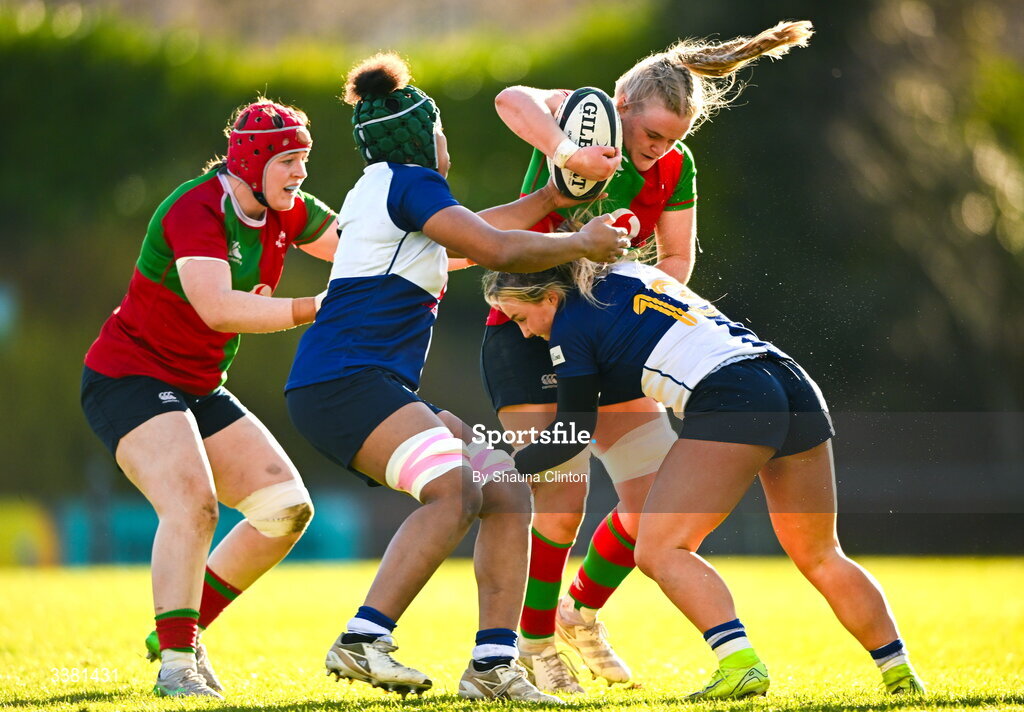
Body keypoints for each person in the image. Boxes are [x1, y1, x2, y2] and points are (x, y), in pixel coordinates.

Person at [283, 53, 629, 703]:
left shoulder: (385, 187)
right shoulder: (412, 183)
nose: (447, 142)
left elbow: (474, 235)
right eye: (441, 131)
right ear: (425, 138)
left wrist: (553, 199)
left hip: (358, 384)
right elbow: (496, 251)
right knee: (455, 489)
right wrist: (580, 243)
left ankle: (494, 667)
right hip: (346, 382)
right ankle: (363, 641)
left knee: (504, 493)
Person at [481, 20, 814, 691]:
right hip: (529, 332)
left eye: (674, 141)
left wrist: (642, 316)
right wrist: (566, 152)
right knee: (561, 504)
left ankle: (580, 611)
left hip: (610, 341)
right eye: (653, 135)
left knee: (656, 502)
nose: (661, 151)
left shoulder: (675, 164)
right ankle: (535, 647)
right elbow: (508, 98)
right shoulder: (584, 116)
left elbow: (679, 255)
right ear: (621, 107)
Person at [483, 259, 927, 700]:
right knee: (821, 552)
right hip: (789, 378)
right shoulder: (626, 272)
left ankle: (740, 664)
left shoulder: (569, 328)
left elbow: (572, 433)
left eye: (521, 318)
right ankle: (900, 673)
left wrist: (498, 467)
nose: (524, 332)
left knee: (658, 549)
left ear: (552, 297)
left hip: (734, 393)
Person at [80, 99, 340, 699]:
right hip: (130, 377)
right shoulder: (198, 207)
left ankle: (182, 633)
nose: (301, 173)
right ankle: (176, 665)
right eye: (290, 159)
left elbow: (368, 245)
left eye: (305, 158)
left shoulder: (287, 208)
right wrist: (313, 309)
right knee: (194, 504)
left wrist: (480, 242)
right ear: (252, 160)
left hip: (196, 384)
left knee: (284, 510)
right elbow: (218, 307)